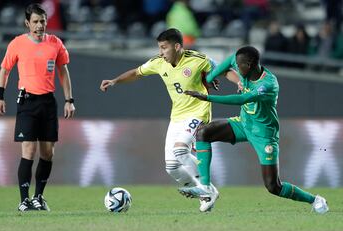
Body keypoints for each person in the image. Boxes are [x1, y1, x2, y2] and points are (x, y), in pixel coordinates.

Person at [100, 28, 239, 212]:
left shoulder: (198, 60)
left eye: (164, 48)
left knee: (180, 150)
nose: (161, 52)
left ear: (177, 46)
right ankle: (206, 192)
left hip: (198, 112)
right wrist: (115, 81)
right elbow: (136, 73)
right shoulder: (159, 63)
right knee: (172, 167)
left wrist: (239, 82)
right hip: (177, 117)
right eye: (159, 48)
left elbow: (224, 70)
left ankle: (206, 189)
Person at [179, 46, 329, 214]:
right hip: (243, 124)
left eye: (239, 65)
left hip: (264, 134)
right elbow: (229, 61)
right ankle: (206, 187)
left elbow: (242, 99)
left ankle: (315, 200)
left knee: (273, 186)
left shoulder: (268, 84)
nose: (235, 67)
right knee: (203, 133)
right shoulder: (243, 67)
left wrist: (206, 97)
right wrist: (210, 78)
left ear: (249, 65)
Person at [0, 3, 75, 212]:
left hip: (47, 103)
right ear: (27, 23)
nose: (40, 26)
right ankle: (24, 200)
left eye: (43, 21)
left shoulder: (55, 43)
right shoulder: (17, 44)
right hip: (27, 102)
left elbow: (63, 72)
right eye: (36, 22)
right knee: (28, 150)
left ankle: (39, 197)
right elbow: (5, 71)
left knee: (48, 153)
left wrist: (69, 100)